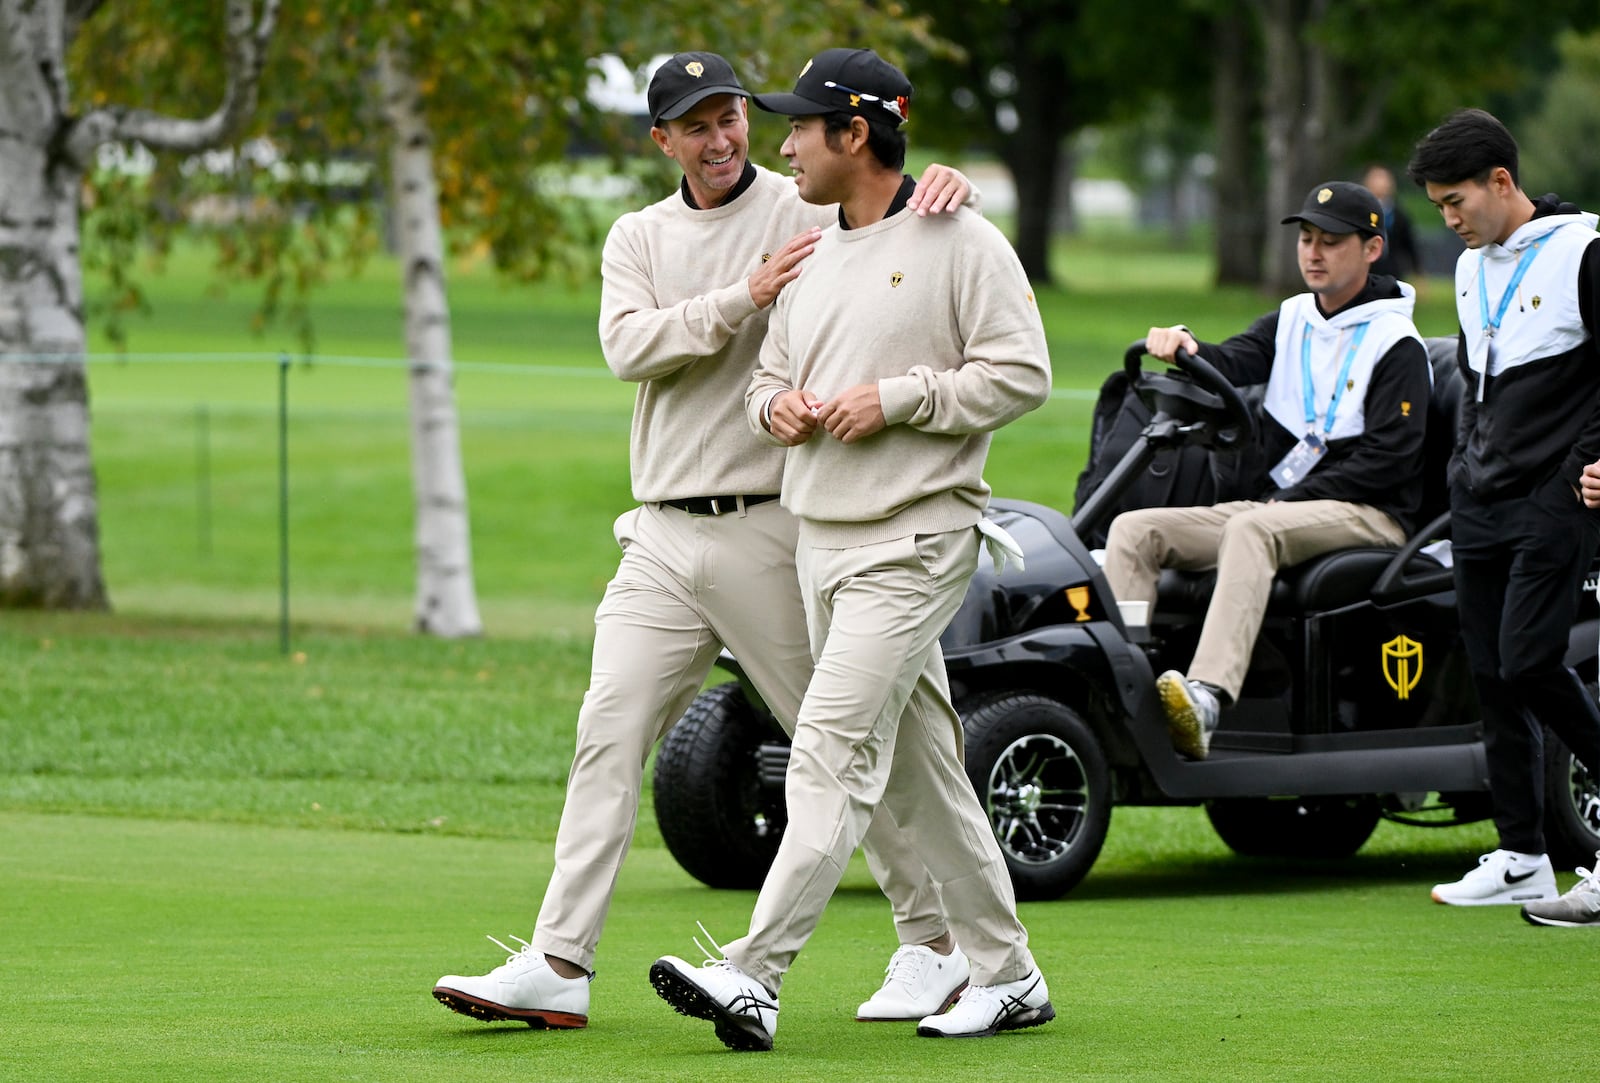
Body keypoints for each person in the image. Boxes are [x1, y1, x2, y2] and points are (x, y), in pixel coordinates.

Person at [431, 51, 982, 1030]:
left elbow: (891, 216)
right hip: (659, 534)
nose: (722, 139)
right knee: (606, 732)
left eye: (730, 117)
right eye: (696, 126)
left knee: (843, 747)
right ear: (663, 140)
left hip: (776, 528)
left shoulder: (802, 203)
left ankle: (933, 944)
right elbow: (628, 346)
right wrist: (743, 295)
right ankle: (560, 962)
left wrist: (950, 186)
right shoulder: (638, 235)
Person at [646, 48, 1055, 1052]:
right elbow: (767, 376)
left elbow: (1021, 374)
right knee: (926, 772)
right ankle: (1010, 977)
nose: (780, 145)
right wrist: (775, 407)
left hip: (915, 539)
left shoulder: (961, 240)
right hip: (819, 542)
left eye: (798, 127)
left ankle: (752, 974)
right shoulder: (814, 251)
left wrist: (901, 400)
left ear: (855, 134)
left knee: (825, 751)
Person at [1102, 181, 1431, 761]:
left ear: (1372, 249)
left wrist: (1296, 495)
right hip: (1285, 507)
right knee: (1135, 530)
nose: (1313, 253)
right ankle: (1128, 685)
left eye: (1331, 242)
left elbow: (1389, 460)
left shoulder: (1396, 343)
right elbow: (1230, 361)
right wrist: (1186, 346)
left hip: (1372, 514)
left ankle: (1206, 696)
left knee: (1249, 528)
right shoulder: (1294, 318)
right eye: (1307, 239)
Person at [1405, 107, 1600, 910]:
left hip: (1558, 494)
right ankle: (1522, 852)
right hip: (1479, 494)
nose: (1448, 221)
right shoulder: (1470, 262)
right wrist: (1461, 471)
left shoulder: (1584, 252)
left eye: (1457, 202)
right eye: (1438, 207)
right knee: (1490, 674)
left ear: (1502, 182)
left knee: (1529, 659)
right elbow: (1480, 382)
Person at [1362, 164, 1421, 282]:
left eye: (1384, 179)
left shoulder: (1398, 214)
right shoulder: (1361, 211)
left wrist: (1417, 272)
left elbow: (1409, 244)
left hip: (1392, 271)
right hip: (1366, 270)